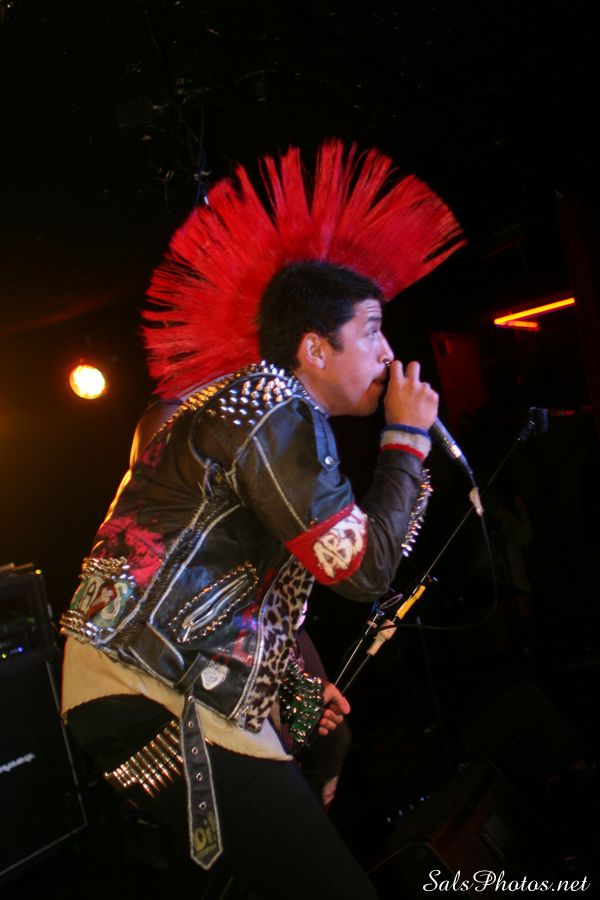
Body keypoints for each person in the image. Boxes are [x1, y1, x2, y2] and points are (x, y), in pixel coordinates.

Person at [60, 140, 464, 899]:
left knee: (274, 860)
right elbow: (362, 571)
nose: (389, 353)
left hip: (161, 690)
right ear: (315, 348)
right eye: (372, 330)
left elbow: (271, 601)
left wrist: (307, 693)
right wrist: (407, 440)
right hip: (151, 688)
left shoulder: (275, 426)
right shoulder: (273, 405)